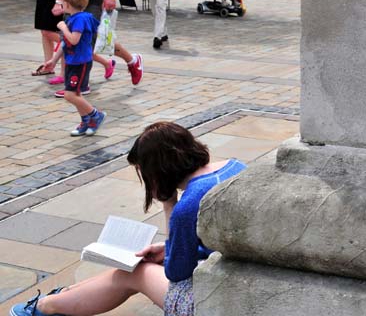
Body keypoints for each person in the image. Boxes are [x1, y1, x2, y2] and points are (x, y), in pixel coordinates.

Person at [10, 122, 246, 316]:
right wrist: (167, 248)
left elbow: (177, 273)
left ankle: (47, 307)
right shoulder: (236, 167)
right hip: (242, 279)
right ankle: (62, 298)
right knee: (135, 266)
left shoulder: (187, 205)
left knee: (134, 272)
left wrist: (168, 203)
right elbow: (226, 236)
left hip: (217, 301)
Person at [40, 0, 107, 136]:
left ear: (68, 4)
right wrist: (53, 60)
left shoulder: (79, 20)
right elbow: (65, 43)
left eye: (63, 2)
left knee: (70, 95)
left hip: (80, 62)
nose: (62, 5)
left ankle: (96, 115)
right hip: (72, 61)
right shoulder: (74, 18)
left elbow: (73, 40)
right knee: (76, 95)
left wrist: (63, 27)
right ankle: (85, 121)